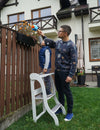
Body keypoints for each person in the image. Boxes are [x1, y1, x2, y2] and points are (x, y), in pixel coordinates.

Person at [38, 25, 77, 121]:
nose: (58, 33)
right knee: (59, 91)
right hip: (57, 72)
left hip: (65, 73)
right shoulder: (59, 43)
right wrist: (43, 35)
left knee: (67, 92)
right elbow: (50, 42)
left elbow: (74, 61)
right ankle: (61, 107)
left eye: (60, 31)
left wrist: (70, 75)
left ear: (65, 33)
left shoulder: (71, 45)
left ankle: (70, 112)